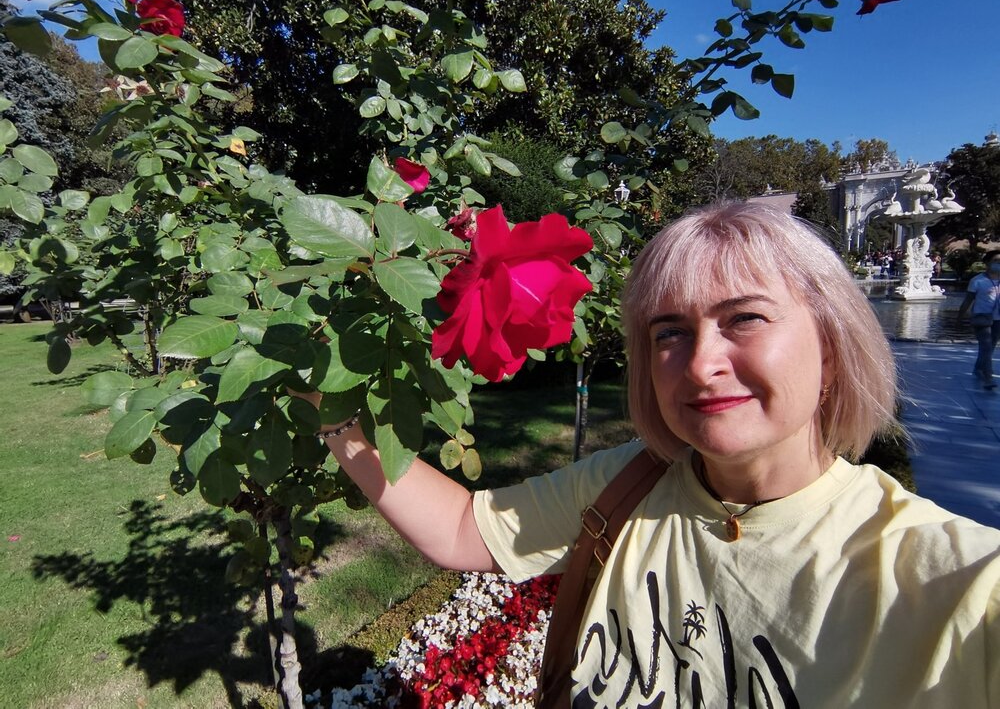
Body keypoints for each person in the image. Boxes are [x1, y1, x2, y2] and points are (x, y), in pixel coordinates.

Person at [303, 203, 1000, 707]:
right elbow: (462, 530)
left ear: (832, 345)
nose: (700, 364)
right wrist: (331, 412)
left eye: (745, 318)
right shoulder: (628, 484)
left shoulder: (957, 582)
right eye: (669, 333)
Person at [958, 249, 1000, 389]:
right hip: (982, 318)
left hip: (998, 319)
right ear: (987, 262)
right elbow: (968, 300)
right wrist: (960, 317)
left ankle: (978, 368)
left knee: (990, 347)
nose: (998, 264)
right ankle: (988, 377)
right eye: (995, 261)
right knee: (986, 346)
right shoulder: (977, 281)